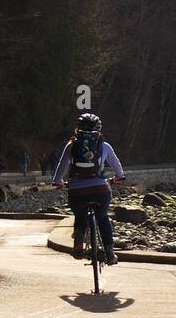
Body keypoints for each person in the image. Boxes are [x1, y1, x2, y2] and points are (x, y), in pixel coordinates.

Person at [53, 113, 125, 265]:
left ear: (78, 129)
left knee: (80, 215)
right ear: (99, 130)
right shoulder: (104, 146)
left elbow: (61, 167)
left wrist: (58, 182)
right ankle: (110, 253)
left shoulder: (71, 145)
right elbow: (118, 168)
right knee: (103, 217)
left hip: (77, 191)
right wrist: (118, 177)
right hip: (100, 190)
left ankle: (79, 240)